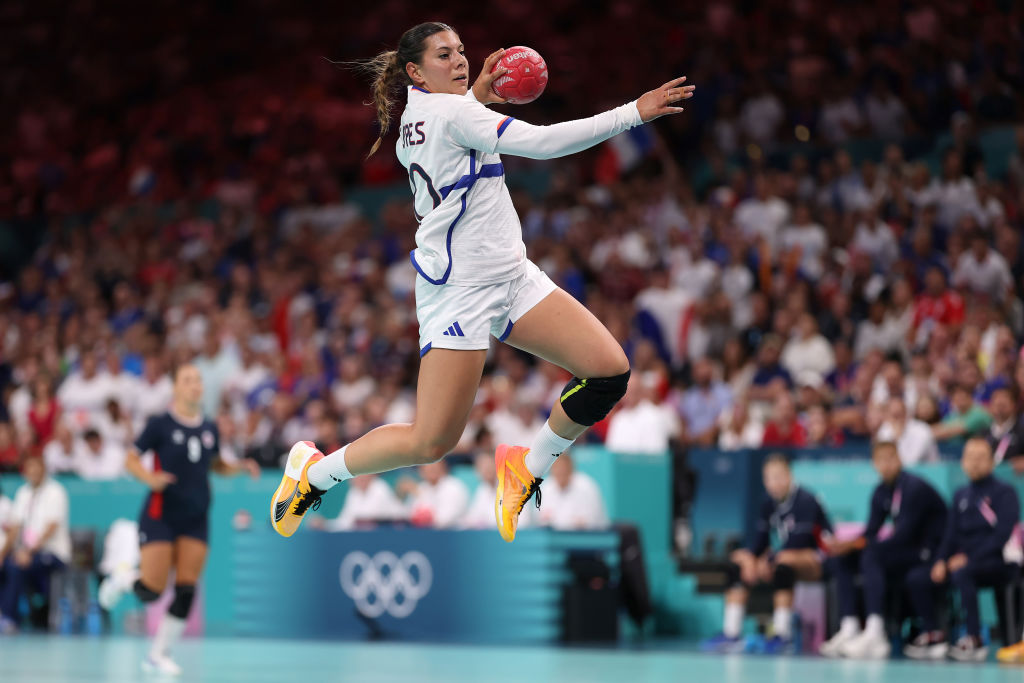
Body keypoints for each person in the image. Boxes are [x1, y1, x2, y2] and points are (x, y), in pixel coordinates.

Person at [269, 21, 695, 543]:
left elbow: (456, 134)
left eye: (461, 51)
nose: (460, 60)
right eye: (444, 55)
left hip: (511, 274)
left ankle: (526, 468)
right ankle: (313, 474)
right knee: (431, 442)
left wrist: (475, 98)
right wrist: (634, 112)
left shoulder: (421, 116)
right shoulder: (453, 112)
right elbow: (542, 143)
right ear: (414, 71)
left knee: (607, 372)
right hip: (459, 292)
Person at [96, 364, 258, 675]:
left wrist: (238, 466)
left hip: (196, 516)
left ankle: (158, 654)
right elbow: (131, 458)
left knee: (187, 589)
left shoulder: (209, 428)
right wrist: (149, 477)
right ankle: (122, 579)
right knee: (154, 588)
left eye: (198, 379)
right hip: (161, 514)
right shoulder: (160, 424)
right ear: (176, 389)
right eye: (188, 380)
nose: (195, 385)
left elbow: (215, 465)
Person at [821, 442, 947, 659]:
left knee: (872, 555)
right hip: (905, 551)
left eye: (891, 458)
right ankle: (849, 626)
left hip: (929, 552)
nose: (886, 464)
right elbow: (871, 532)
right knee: (845, 559)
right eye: (881, 460)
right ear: (874, 464)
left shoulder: (914, 487)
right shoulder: (881, 491)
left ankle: (875, 631)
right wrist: (848, 546)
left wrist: (859, 545)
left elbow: (903, 536)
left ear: (899, 459)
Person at [904, 438, 1020, 662]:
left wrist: (968, 558)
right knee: (918, 577)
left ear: (991, 462)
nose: (975, 463)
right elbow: (950, 535)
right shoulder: (961, 495)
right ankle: (933, 633)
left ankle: (974, 639)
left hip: (999, 562)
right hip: (964, 561)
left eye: (981, 458)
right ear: (963, 462)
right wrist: (940, 560)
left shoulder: (1005, 492)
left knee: (962, 573)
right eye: (970, 458)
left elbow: (1001, 537)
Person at [702, 454, 832, 654]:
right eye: (769, 478)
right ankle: (731, 633)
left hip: (816, 558)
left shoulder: (806, 500)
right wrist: (751, 559)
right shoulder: (767, 503)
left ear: (789, 476)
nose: (774, 483)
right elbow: (761, 541)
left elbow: (800, 542)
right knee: (738, 565)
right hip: (784, 555)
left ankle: (783, 635)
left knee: (783, 566)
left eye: (779, 476)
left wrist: (768, 560)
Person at [0, 457, 71, 633]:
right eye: (29, 470)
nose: (33, 474)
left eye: (36, 469)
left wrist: (28, 551)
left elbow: (51, 528)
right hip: (26, 553)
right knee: (7, 565)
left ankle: (10, 619)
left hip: (52, 553)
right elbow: (15, 527)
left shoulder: (56, 491)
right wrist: (2, 554)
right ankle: (6, 614)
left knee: (17, 566)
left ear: (44, 470)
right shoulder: (23, 493)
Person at [537, 452, 608, 531]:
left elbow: (590, 522)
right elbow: (541, 520)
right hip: (556, 539)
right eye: (556, 469)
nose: (560, 472)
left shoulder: (586, 487)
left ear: (571, 469)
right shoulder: (546, 487)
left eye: (563, 469)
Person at [311, 474, 405, 532]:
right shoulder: (353, 492)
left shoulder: (380, 488)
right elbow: (346, 522)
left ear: (370, 474)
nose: (358, 478)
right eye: (354, 476)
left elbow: (369, 520)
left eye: (361, 475)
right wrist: (325, 524)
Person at [397, 460, 469, 529]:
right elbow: (409, 516)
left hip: (452, 534)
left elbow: (444, 520)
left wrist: (419, 495)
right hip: (424, 533)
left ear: (443, 468)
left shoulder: (453, 486)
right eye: (426, 467)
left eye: (434, 467)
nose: (430, 470)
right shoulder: (422, 487)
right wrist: (402, 496)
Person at [875, 397, 939, 465]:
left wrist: (898, 438)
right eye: (894, 415)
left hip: (929, 472)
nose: (897, 420)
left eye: (900, 414)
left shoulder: (922, 430)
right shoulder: (885, 430)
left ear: (906, 413)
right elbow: (883, 460)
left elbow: (911, 462)